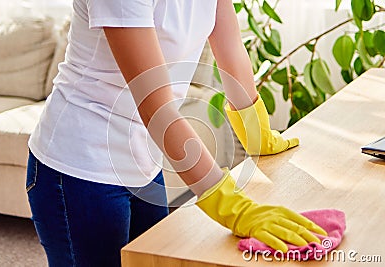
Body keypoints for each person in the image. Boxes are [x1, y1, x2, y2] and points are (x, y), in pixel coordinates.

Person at [26, 0, 327, 266]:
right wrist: (233, 206)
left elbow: (231, 51)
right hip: (79, 168)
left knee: (154, 259)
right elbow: (156, 109)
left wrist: (257, 131)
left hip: (144, 161)